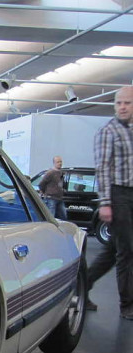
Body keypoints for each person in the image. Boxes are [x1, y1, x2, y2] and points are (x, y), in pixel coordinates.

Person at [93, 85, 133, 320]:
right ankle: (127, 305)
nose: (123, 107)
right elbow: (102, 168)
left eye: (127, 103)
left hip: (131, 193)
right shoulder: (108, 131)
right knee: (126, 251)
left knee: (112, 250)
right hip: (118, 195)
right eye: (119, 103)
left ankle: (82, 285)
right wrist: (105, 202)